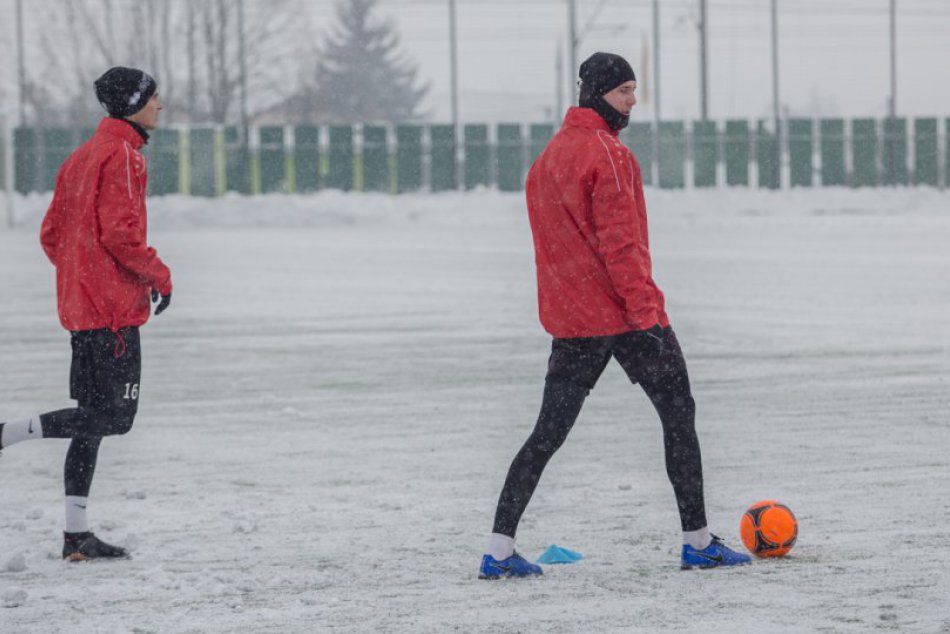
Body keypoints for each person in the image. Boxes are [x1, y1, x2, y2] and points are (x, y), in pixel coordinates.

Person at [478, 52, 750, 579]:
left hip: (573, 321)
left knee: (546, 434)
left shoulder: (547, 159)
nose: (632, 102)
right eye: (625, 91)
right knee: (678, 413)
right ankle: (697, 542)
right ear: (600, 93)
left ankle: (498, 549)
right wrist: (647, 316)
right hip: (626, 317)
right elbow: (622, 248)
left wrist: (565, 309)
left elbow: (552, 250)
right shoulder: (610, 155)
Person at [0, 67, 172, 561]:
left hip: (83, 309)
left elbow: (52, 235)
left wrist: (82, 278)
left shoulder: (79, 157)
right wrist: (159, 275)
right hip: (113, 312)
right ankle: (8, 433)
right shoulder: (122, 157)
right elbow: (121, 236)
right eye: (154, 96)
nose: (161, 105)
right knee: (114, 419)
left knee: (91, 422)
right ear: (132, 103)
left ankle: (76, 536)